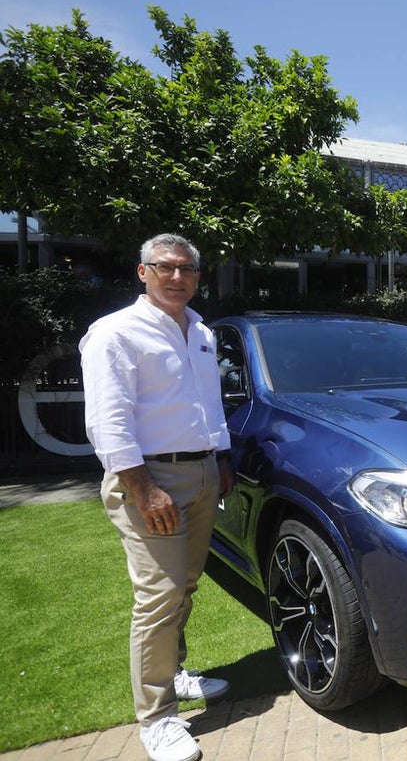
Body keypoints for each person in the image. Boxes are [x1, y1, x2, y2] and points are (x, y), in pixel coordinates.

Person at [80, 233, 234, 761]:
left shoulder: (201, 332)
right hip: (150, 480)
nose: (177, 277)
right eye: (164, 267)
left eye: (186, 269)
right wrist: (142, 488)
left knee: (185, 586)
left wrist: (222, 457)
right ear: (142, 272)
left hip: (201, 474)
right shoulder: (115, 333)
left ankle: (175, 673)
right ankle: (158, 718)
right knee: (159, 598)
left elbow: (207, 405)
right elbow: (107, 421)